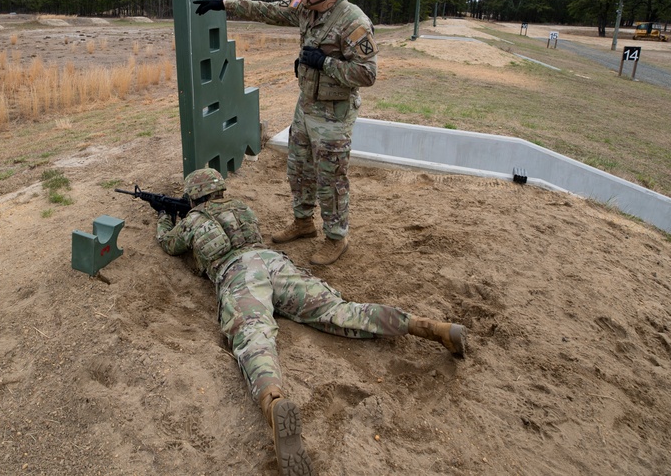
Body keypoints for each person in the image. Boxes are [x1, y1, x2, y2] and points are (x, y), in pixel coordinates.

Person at [156, 168, 467, 476]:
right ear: (221, 190)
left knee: (253, 334)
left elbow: (170, 245)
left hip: (238, 274)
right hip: (273, 262)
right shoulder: (242, 209)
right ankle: (431, 327)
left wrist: (165, 219)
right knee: (339, 310)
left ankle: (273, 401)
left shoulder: (194, 221)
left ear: (193, 197)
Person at [194, 0, 376, 265]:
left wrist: (325, 63)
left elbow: (367, 74)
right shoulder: (306, 9)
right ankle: (303, 222)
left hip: (334, 113)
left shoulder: (352, 22)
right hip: (305, 107)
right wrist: (224, 4)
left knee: (330, 177)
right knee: (299, 168)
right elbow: (267, 10)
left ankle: (335, 237)